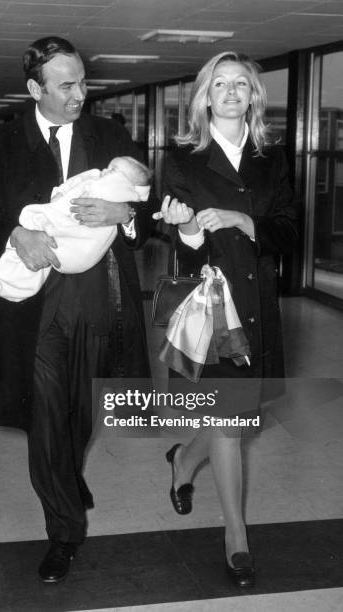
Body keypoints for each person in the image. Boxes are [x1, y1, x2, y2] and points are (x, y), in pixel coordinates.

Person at [0, 36, 155, 583]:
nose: (79, 94)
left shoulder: (110, 136)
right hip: (35, 304)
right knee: (46, 410)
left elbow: (146, 213)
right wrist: (13, 233)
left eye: (83, 82)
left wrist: (123, 212)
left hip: (98, 295)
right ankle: (64, 529)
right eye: (66, 85)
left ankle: (67, 475)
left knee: (82, 407)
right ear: (34, 89)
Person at [154, 51, 297, 588]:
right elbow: (184, 249)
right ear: (205, 96)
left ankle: (183, 464)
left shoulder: (272, 157)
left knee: (232, 418)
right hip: (214, 308)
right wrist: (186, 229)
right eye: (221, 84)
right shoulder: (184, 158)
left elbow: (287, 230)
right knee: (230, 421)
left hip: (258, 307)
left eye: (242, 84)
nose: (232, 92)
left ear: (253, 97)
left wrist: (243, 219)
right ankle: (236, 535)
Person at [0, 155, 152, 301]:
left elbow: (148, 203)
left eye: (113, 170)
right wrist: (14, 233)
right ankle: (14, 282)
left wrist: (126, 212)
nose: (105, 171)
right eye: (108, 167)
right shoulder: (1, 139)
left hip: (95, 286)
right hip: (34, 264)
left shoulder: (115, 140)